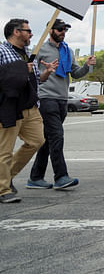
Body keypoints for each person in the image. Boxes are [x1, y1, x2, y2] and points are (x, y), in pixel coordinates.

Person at [29, 19, 95, 190]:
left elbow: (76, 73)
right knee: (57, 136)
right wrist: (45, 71)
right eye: (59, 29)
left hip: (62, 99)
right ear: (49, 30)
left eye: (64, 30)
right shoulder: (39, 50)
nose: (62, 32)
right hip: (46, 98)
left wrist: (86, 66)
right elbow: (30, 74)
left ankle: (35, 177)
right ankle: (61, 176)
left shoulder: (68, 51)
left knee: (47, 140)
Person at [0, 19, 55, 203]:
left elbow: (37, 80)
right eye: (28, 31)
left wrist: (47, 72)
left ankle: (6, 177)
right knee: (5, 150)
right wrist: (21, 69)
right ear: (16, 32)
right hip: (10, 107)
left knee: (36, 141)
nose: (31, 34)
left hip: (31, 107)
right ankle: (3, 189)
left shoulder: (28, 54)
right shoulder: (2, 51)